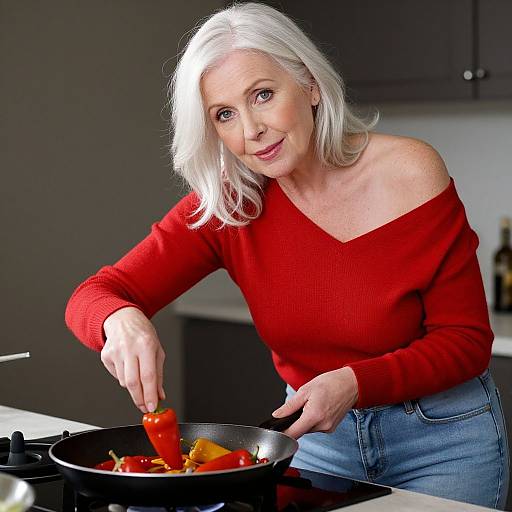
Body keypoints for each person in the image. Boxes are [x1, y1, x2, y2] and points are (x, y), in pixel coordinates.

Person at [65, 2, 509, 508]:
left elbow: (467, 340)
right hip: (320, 443)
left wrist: (353, 383)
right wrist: (120, 320)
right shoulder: (231, 205)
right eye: (224, 114)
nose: (250, 129)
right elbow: (93, 295)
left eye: (263, 95)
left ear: (311, 85)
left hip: (443, 440)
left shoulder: (411, 171)